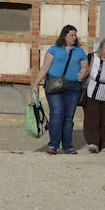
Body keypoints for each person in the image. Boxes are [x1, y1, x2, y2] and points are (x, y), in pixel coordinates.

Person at [32, 25, 89, 154]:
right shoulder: (54, 50)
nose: (74, 38)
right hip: (54, 86)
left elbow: (85, 67)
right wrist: (36, 84)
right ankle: (53, 145)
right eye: (71, 35)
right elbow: (45, 67)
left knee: (68, 117)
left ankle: (68, 146)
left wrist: (83, 73)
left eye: (75, 35)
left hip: (73, 87)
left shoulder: (79, 51)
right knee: (57, 114)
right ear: (64, 36)